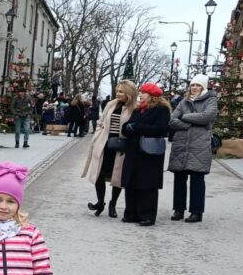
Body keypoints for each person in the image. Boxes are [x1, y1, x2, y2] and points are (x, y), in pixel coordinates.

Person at [168, 74, 218, 223]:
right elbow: (172, 119)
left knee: (197, 179)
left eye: (197, 85)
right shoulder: (184, 102)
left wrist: (185, 117)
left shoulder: (211, 100)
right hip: (181, 144)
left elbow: (207, 117)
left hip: (199, 145)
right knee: (179, 178)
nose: (194, 87)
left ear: (203, 86)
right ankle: (179, 209)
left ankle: (196, 212)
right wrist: (188, 124)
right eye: (192, 85)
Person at [82, 81, 136, 218]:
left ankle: (113, 204)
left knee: (116, 176)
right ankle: (100, 202)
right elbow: (101, 122)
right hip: (104, 143)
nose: (118, 94)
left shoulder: (134, 108)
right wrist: (98, 134)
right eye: (117, 91)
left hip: (121, 146)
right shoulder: (111, 104)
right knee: (99, 173)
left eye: (122, 91)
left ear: (129, 93)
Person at [121, 84, 172, 227]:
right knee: (131, 182)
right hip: (134, 150)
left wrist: (137, 127)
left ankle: (147, 215)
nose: (141, 95)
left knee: (147, 184)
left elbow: (161, 129)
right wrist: (128, 128)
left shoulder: (161, 110)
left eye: (144, 93)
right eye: (141, 92)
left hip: (149, 152)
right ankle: (131, 213)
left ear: (152, 96)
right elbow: (127, 127)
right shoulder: (138, 109)